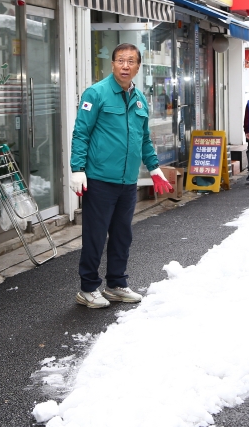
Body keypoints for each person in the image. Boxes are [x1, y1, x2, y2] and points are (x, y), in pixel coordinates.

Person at [70, 43, 174, 309]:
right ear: (112, 64)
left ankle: (116, 284)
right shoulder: (96, 93)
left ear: (138, 66)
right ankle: (88, 288)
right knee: (95, 235)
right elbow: (81, 133)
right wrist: (77, 169)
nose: (125, 66)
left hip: (127, 181)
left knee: (121, 235)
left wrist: (154, 168)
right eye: (120, 60)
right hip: (100, 179)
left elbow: (144, 139)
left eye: (131, 61)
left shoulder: (139, 99)